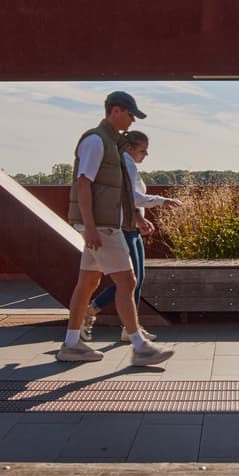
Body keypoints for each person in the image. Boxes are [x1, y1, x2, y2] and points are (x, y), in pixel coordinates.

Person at [58, 91, 176, 367]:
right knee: (128, 281)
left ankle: (72, 344)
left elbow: (117, 191)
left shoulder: (111, 142)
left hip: (101, 224)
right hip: (101, 226)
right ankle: (139, 346)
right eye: (130, 114)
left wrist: (133, 216)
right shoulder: (96, 141)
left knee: (88, 282)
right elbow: (83, 183)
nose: (133, 120)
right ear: (116, 111)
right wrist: (89, 227)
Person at [82, 130, 182, 343]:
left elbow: (129, 202)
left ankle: (127, 326)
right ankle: (96, 312)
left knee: (136, 278)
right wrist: (162, 201)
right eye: (142, 151)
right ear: (129, 148)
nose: (145, 155)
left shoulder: (130, 165)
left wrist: (140, 220)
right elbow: (132, 198)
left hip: (131, 227)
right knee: (130, 279)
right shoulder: (125, 164)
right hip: (123, 229)